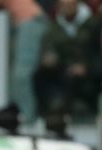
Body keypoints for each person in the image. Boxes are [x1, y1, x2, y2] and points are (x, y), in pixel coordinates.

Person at [35, 0, 99, 137]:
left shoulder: (94, 24)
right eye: (63, 5)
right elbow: (48, 48)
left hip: (91, 73)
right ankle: (50, 116)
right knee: (41, 76)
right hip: (63, 72)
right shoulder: (54, 28)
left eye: (69, 4)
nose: (66, 8)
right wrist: (49, 58)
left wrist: (86, 67)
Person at [0, 0, 48, 128]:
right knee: (14, 76)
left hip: (30, 22)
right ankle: (21, 117)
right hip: (24, 23)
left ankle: (30, 121)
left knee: (21, 75)